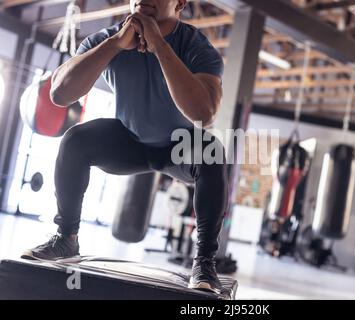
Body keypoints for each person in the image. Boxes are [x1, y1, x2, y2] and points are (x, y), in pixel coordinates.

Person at [22, 0, 228, 294]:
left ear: (180, 2)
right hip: (129, 140)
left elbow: (203, 114)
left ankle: (205, 261)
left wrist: (158, 44)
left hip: (178, 145)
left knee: (214, 152)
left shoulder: (195, 45)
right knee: (75, 140)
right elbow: (59, 94)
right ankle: (67, 236)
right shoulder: (109, 39)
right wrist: (116, 44)